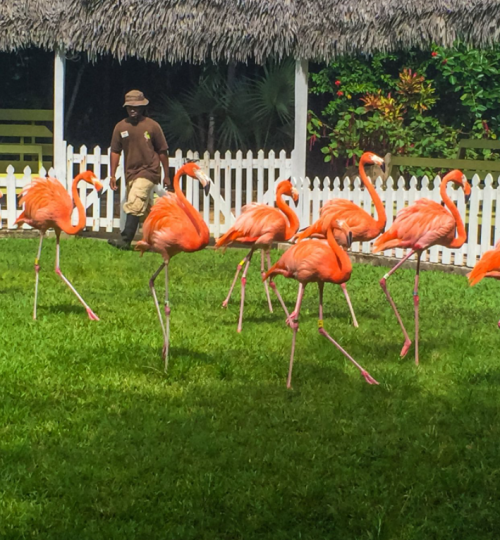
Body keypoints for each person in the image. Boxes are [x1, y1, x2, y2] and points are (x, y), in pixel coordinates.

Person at [108, 89, 171, 250]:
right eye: (130, 107)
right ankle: (162, 239)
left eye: (136, 106)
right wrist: (112, 175)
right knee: (147, 210)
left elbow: (162, 151)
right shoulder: (120, 127)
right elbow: (115, 151)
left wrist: (166, 175)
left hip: (149, 171)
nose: (133, 109)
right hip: (131, 173)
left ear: (143, 107)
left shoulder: (152, 126)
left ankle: (125, 240)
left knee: (135, 202)